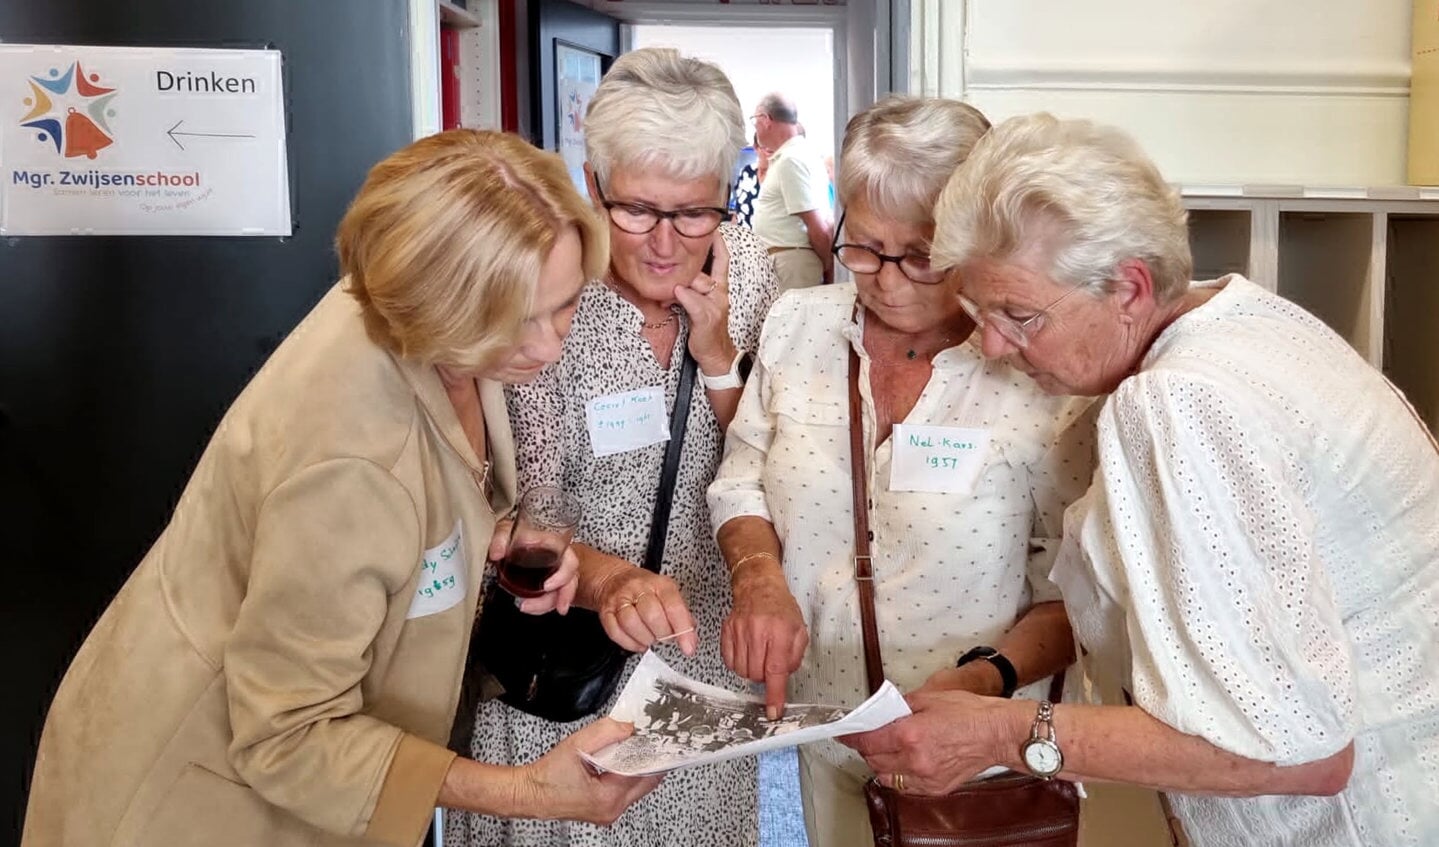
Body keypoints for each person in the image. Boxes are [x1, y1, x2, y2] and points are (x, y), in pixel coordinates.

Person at [20, 130, 664, 847]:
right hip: (201, 803)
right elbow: (286, 737)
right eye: (514, 321)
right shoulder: (349, 455)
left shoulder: (430, 320)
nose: (547, 346)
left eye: (565, 305)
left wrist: (486, 538)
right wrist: (528, 790)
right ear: (435, 297)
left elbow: (425, 496)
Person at [843, 113, 1439, 846]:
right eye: (978, 311)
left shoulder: (1175, 399)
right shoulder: (1243, 315)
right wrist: (991, 679)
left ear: (1127, 286)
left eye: (1018, 314)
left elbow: (1300, 750)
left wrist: (1002, 733)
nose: (993, 345)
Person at [707, 96, 1095, 847]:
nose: (882, 280)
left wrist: (982, 688)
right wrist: (757, 574)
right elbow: (741, 474)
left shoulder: (1034, 375)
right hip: (830, 727)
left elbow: (1075, 591)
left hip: (981, 754)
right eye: (862, 246)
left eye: (916, 255)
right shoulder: (798, 325)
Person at [448, 48, 779, 847]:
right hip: (560, 669)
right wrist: (610, 582)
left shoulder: (753, 276)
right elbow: (519, 503)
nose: (666, 243)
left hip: (701, 663)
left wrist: (719, 358)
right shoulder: (549, 292)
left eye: (695, 213)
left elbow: (770, 461)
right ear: (593, 186)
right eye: (636, 211)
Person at [751, 92, 834, 289]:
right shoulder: (798, 156)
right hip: (789, 262)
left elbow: (816, 226)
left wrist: (828, 269)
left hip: (792, 265)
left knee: (790, 321)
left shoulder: (791, 161)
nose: (755, 127)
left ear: (765, 120)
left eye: (755, 121)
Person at [731, 135, 769, 230]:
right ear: (756, 148)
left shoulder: (782, 176)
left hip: (771, 242)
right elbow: (737, 213)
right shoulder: (747, 171)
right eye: (765, 147)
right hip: (744, 240)